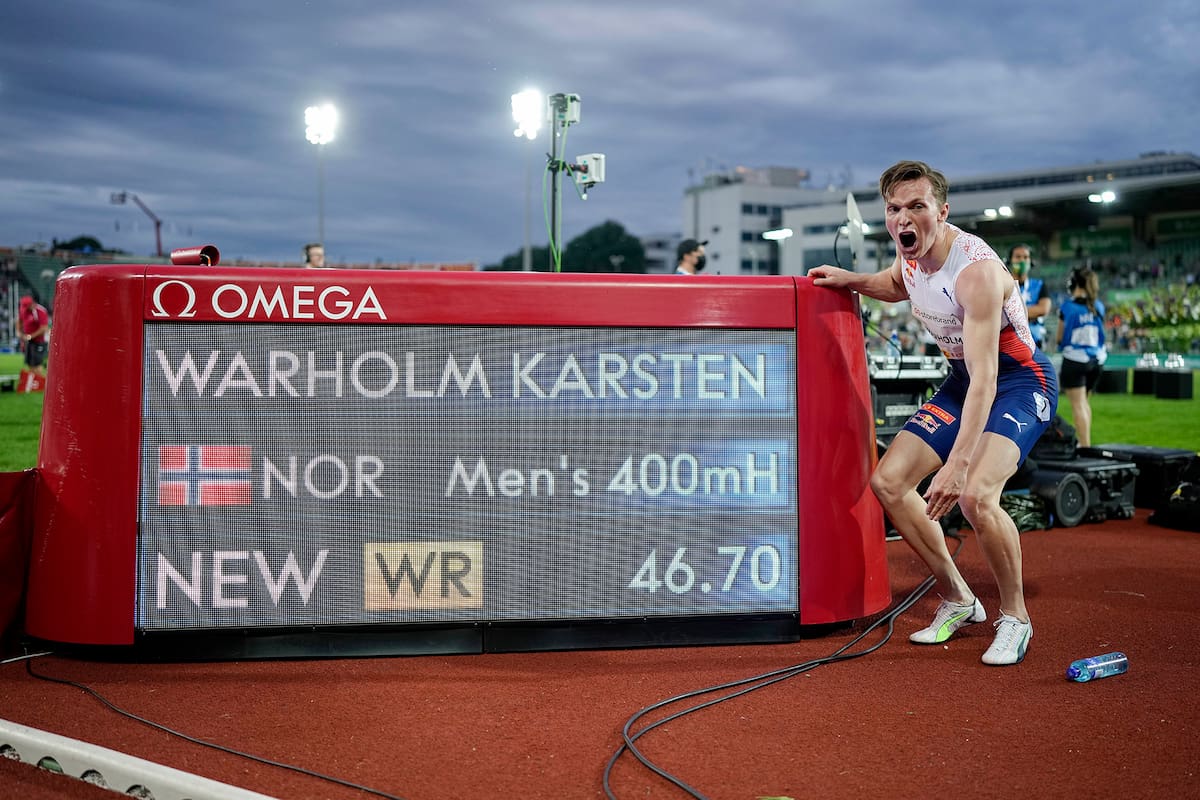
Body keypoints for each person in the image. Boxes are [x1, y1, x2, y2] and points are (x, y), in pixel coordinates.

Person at [808, 160, 1058, 666]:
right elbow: (895, 283)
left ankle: (1016, 618)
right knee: (889, 483)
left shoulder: (977, 273)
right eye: (895, 209)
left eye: (916, 207)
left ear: (941, 213)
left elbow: (987, 381)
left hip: (1016, 382)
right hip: (963, 381)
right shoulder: (911, 258)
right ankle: (960, 598)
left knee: (975, 497)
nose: (904, 218)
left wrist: (958, 462)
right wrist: (849, 280)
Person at [1056, 267, 1106, 447]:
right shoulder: (1098, 306)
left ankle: (1085, 446)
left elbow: (1060, 338)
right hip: (1097, 360)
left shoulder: (1068, 307)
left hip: (1075, 359)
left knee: (1078, 406)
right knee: (1084, 404)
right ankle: (1086, 441)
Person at [1007, 244, 1052, 349]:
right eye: (1018, 257)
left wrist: (1012, 314)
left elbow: (1043, 309)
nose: (1022, 261)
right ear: (1010, 261)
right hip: (1012, 343)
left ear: (1031, 262)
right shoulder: (1004, 286)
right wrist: (1030, 313)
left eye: (1026, 257)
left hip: (1035, 341)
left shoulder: (1039, 285)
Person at [18, 296, 50, 377]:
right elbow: (19, 321)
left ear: (31, 304)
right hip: (29, 341)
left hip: (40, 341)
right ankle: (33, 381)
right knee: (30, 362)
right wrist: (19, 332)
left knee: (37, 363)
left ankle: (39, 381)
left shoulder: (40, 311)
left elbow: (44, 328)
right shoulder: (24, 311)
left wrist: (30, 336)